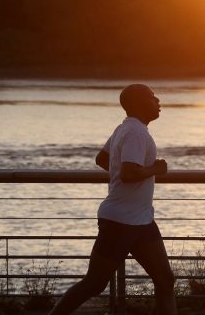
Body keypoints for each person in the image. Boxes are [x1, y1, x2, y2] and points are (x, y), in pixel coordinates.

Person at [49, 84, 177, 315]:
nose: (158, 101)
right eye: (152, 97)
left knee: (165, 280)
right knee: (94, 283)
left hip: (141, 220)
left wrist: (122, 170)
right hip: (121, 222)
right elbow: (129, 174)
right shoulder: (136, 132)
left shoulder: (125, 128)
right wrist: (155, 169)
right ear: (139, 103)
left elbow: (101, 159)